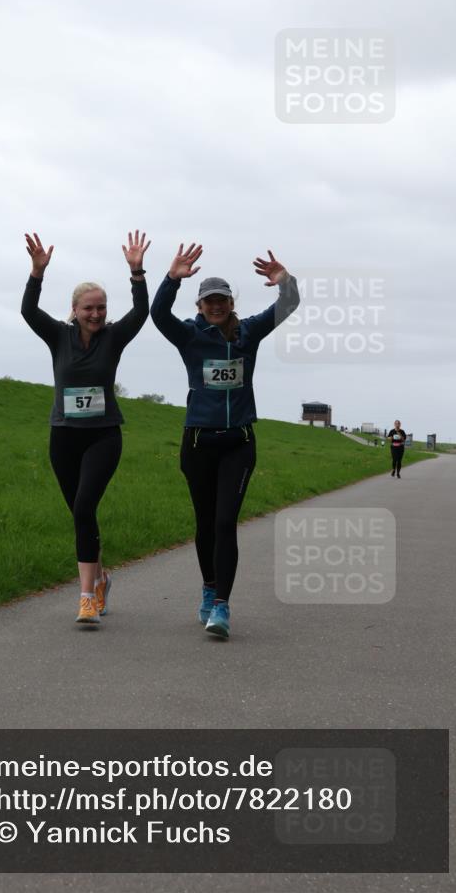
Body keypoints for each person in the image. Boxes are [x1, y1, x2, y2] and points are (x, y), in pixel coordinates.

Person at [151, 244, 299, 639]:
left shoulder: (248, 332)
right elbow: (157, 315)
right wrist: (171, 279)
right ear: (200, 305)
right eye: (208, 301)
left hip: (238, 442)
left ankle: (221, 607)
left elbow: (289, 305)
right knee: (204, 524)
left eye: (222, 300)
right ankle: (208, 586)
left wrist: (284, 280)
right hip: (198, 441)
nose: (215, 306)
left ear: (231, 303)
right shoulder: (189, 335)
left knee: (224, 522)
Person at [21, 230, 150, 626]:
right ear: (74, 310)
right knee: (81, 515)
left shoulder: (113, 338)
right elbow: (28, 311)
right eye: (89, 308)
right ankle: (101, 579)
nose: (96, 314)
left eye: (101, 308)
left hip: (103, 435)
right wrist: (36, 273)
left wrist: (137, 272)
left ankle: (85, 598)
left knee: (83, 506)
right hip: (63, 436)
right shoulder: (58, 336)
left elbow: (141, 313)